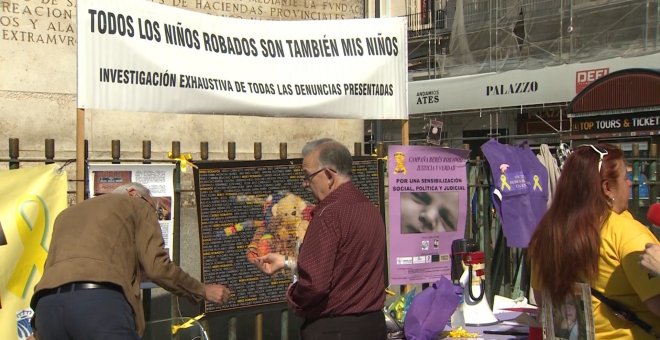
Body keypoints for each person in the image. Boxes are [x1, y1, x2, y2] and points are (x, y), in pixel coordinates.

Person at [30, 182, 231, 339]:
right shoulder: (137, 204)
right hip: (99, 304)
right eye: (154, 210)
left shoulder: (67, 214)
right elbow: (158, 268)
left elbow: (52, 269)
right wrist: (202, 290)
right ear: (134, 194)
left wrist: (38, 328)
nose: (154, 215)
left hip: (47, 307)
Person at [254, 138, 386, 340]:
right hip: (373, 326)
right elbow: (344, 265)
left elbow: (315, 284)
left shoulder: (328, 214)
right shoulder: (370, 209)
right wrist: (288, 262)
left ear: (328, 175)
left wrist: (294, 295)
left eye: (308, 176)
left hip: (335, 329)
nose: (305, 184)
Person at [528, 143, 660, 339]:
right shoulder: (628, 233)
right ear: (607, 188)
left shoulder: (546, 236)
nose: (629, 184)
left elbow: (541, 300)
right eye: (626, 178)